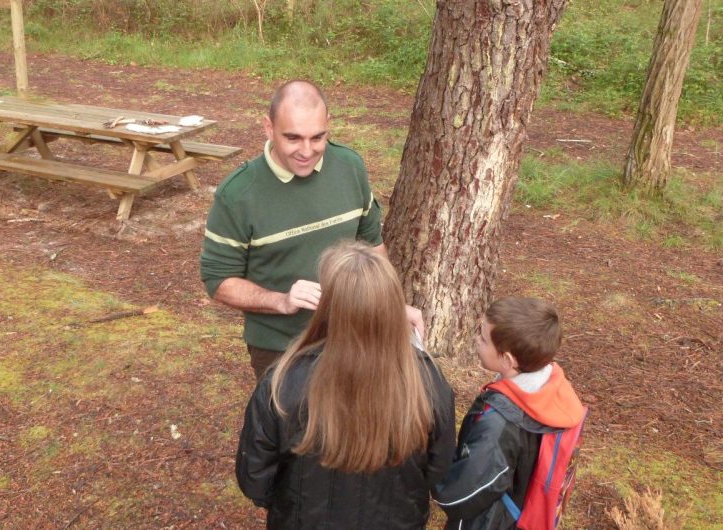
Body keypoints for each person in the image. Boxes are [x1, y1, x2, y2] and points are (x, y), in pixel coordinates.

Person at [199, 79, 422, 379]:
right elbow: (219, 281)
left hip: (352, 337)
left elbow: (373, 248)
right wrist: (282, 301)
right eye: (293, 138)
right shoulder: (238, 195)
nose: (307, 151)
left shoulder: (350, 167)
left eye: (318, 137)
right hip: (281, 348)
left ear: (329, 125)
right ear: (268, 128)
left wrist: (391, 308)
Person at [236, 242, 455, 530]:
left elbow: (255, 478)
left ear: (328, 306)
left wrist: (291, 505)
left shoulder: (282, 380)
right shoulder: (428, 381)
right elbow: (438, 470)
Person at [433, 297, 585, 529]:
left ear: (507, 360)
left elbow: (458, 495)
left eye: (483, 339)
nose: (476, 340)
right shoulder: (552, 387)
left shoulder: (498, 425)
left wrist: (432, 474)